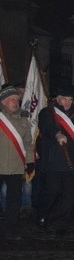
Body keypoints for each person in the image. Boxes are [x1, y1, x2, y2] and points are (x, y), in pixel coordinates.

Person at [36, 84, 74, 237]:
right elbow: (46, 126)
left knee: (68, 194)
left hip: (72, 161)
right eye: (64, 99)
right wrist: (57, 134)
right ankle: (42, 214)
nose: (67, 103)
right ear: (57, 99)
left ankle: (62, 224)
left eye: (70, 99)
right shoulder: (48, 112)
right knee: (53, 191)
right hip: (54, 160)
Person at [0, 85, 34, 241]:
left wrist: (30, 162)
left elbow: (28, 143)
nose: (16, 102)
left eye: (17, 100)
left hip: (15, 166)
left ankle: (11, 230)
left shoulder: (24, 119)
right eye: (12, 100)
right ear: (4, 101)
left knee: (14, 201)